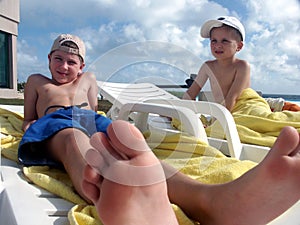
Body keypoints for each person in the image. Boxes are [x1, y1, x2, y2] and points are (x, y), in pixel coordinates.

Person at [18, 34, 300, 225]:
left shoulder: (89, 79)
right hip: (55, 124)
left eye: (72, 61)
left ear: (82, 66)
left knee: (135, 154)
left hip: (91, 120)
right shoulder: (37, 81)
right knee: (74, 140)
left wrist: (98, 124)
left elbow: (92, 109)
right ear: (48, 59)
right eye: (58, 59)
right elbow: (29, 117)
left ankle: (214, 200)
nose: (64, 66)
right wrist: (30, 126)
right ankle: (109, 193)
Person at [183, 16, 250, 112]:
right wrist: (178, 112)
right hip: (223, 111)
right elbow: (191, 93)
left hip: (243, 109)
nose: (218, 45)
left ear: (239, 46)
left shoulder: (242, 66)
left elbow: (233, 98)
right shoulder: (208, 67)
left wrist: (219, 122)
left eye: (224, 41)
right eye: (214, 41)